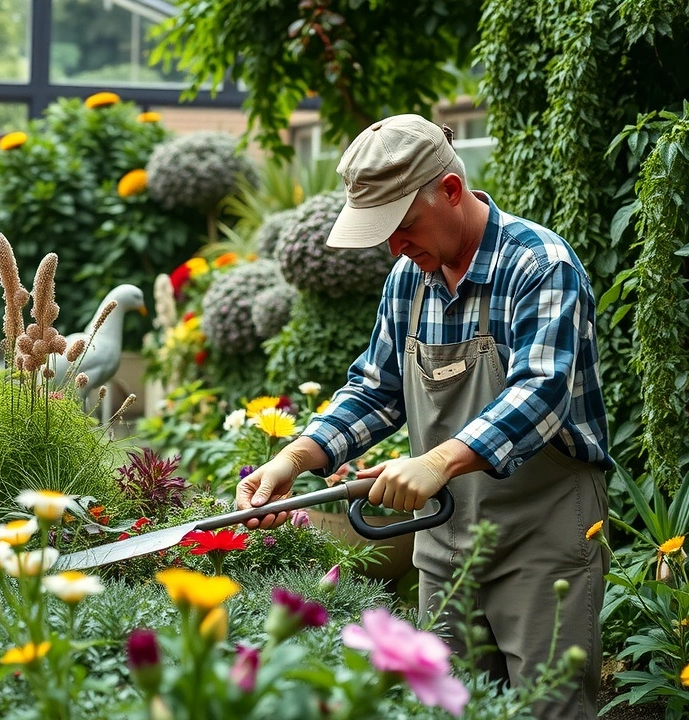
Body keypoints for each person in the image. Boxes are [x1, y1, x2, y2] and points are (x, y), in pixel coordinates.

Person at [236, 114, 611, 719]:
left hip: (542, 539)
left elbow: (542, 392)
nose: (394, 248)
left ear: (451, 192)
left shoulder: (541, 265)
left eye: (403, 226)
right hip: (444, 541)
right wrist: (295, 457)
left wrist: (437, 460)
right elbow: (376, 389)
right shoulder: (409, 279)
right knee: (442, 709)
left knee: (550, 710)